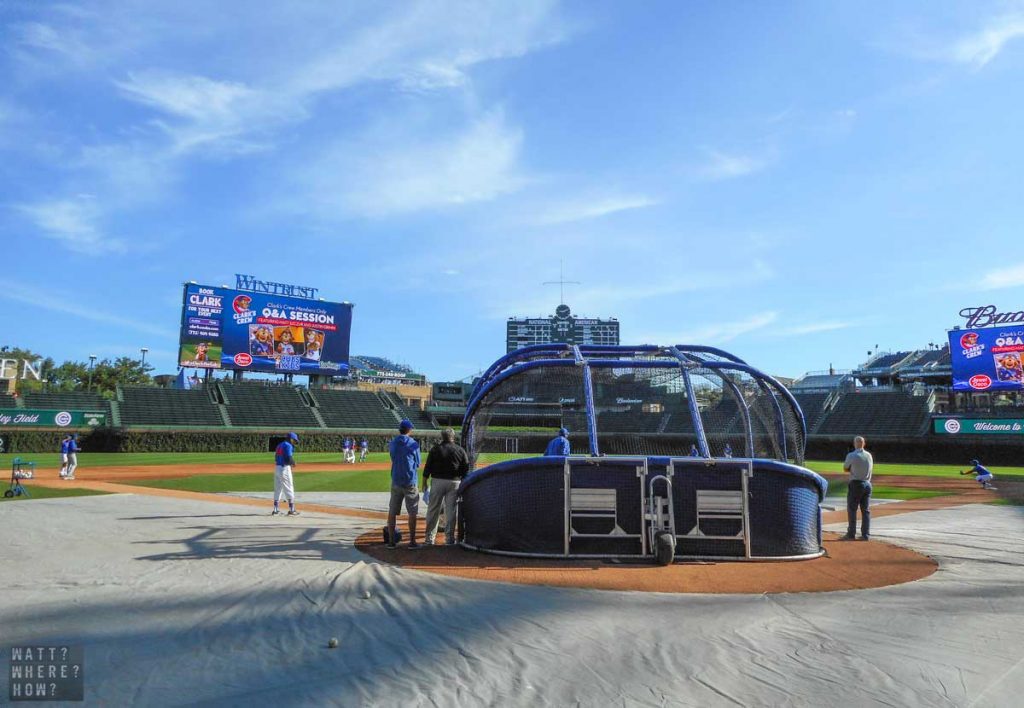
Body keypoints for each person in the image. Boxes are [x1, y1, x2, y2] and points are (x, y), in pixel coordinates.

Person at [422, 428, 470, 545]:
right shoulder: (460, 450)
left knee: (433, 510)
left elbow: (427, 467)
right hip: (454, 483)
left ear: (442, 437)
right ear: (453, 437)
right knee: (451, 512)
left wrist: (424, 483)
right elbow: (466, 469)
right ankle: (449, 539)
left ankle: (429, 539)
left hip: (437, 481)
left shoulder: (435, 449)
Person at [387, 419, 421, 549]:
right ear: (409, 430)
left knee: (392, 511)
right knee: (412, 512)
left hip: (396, 479)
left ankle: (391, 542)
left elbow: (392, 457)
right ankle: (412, 542)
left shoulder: (393, 443)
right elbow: (417, 463)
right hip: (410, 481)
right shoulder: (413, 444)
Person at [843, 436, 873, 541]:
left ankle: (851, 533)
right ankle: (866, 534)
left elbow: (845, 468)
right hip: (868, 484)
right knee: (866, 511)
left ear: (855, 444)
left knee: (852, 509)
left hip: (856, 483)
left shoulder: (851, 455)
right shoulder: (869, 455)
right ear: (864, 444)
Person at [272, 432, 300, 516]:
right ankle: (291, 510)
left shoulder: (279, 445)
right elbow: (288, 458)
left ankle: (275, 510)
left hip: (277, 468)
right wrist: (293, 463)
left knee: (278, 489)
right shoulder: (288, 445)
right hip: (284, 468)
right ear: (290, 439)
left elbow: (276, 458)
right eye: (294, 440)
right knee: (289, 488)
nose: (294, 442)